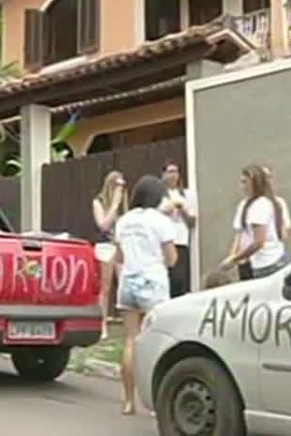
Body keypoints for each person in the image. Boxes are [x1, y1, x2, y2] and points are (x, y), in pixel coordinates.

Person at [112, 175, 177, 415]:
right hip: (153, 283)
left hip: (128, 282)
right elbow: (171, 258)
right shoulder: (160, 221)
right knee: (157, 342)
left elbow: (118, 257)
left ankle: (128, 401)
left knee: (130, 341)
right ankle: (155, 403)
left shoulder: (124, 221)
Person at [221, 164, 286, 280]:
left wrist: (235, 259)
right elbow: (240, 234)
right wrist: (233, 257)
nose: (241, 186)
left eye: (245, 182)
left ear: (254, 184)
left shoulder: (260, 205)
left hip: (267, 264)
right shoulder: (247, 205)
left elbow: (258, 242)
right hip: (258, 262)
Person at [92, 170, 127, 338]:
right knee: (105, 288)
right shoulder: (98, 202)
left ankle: (128, 323)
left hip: (120, 246)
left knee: (124, 283)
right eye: (116, 186)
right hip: (105, 246)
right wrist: (113, 205)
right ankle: (102, 324)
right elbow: (103, 225)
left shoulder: (124, 206)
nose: (119, 190)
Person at [158, 160, 196, 298]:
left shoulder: (186, 195)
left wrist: (182, 210)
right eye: (170, 172)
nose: (173, 175)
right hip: (164, 240)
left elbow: (192, 221)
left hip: (181, 239)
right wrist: (169, 207)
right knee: (168, 277)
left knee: (180, 278)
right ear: (163, 175)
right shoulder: (160, 195)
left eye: (176, 172)